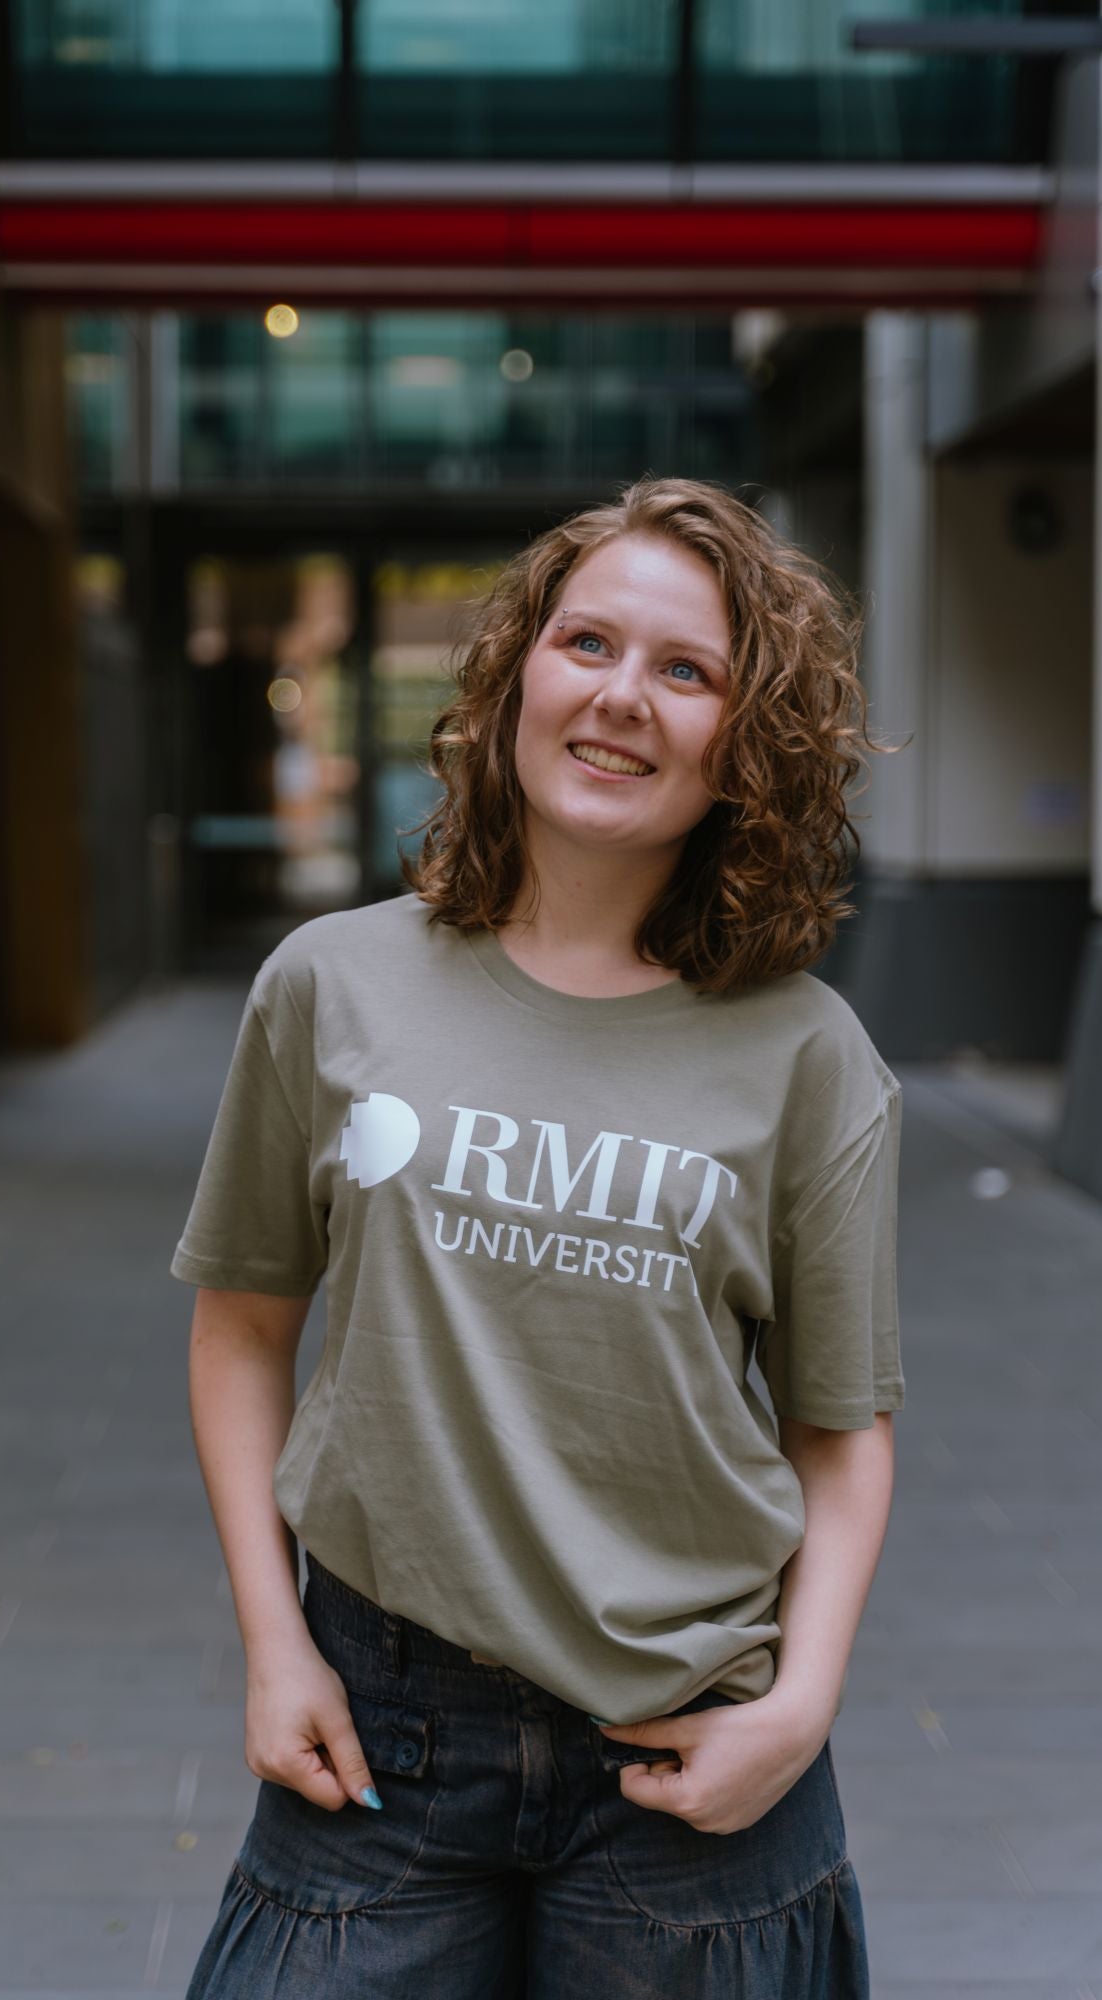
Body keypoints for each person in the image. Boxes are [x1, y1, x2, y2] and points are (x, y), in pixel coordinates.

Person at [172, 475, 903, 1998]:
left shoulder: (807, 1055)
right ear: (514, 676)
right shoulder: (329, 985)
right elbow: (244, 1329)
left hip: (690, 1743)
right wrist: (273, 1642)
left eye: (684, 670)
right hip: (378, 1725)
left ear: (742, 743)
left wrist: (803, 1704)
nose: (620, 697)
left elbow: (838, 1433)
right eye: (586, 643)